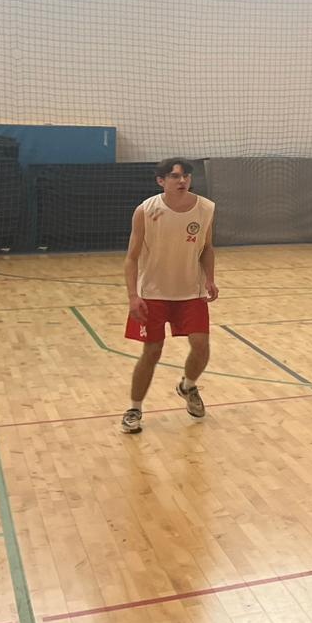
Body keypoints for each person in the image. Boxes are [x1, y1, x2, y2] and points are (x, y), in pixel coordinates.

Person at [121, 158, 218, 434]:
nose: (182, 180)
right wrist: (133, 296)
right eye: (175, 176)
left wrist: (210, 279)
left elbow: (207, 247)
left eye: (186, 175)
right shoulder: (145, 210)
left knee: (201, 346)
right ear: (161, 181)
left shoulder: (206, 208)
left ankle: (188, 386)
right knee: (152, 351)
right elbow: (131, 258)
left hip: (191, 291)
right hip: (153, 293)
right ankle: (134, 409)